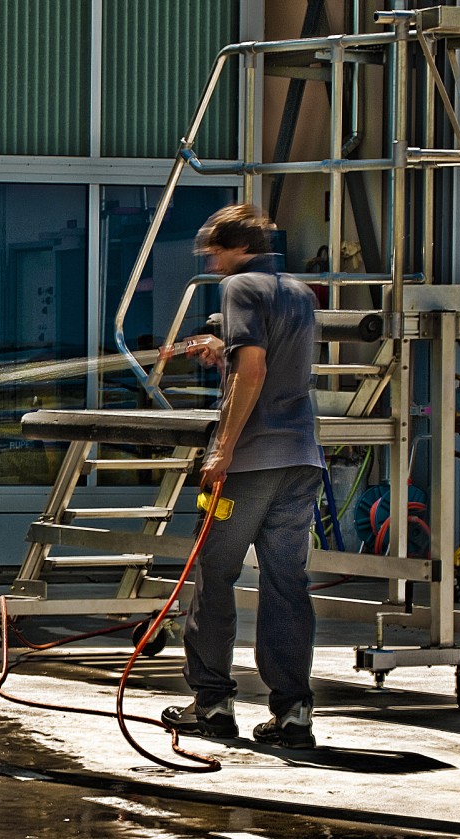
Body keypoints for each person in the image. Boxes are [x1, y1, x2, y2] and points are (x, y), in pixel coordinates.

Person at [160, 204, 325, 749]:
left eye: (212, 250)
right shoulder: (299, 292)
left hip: (251, 460)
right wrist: (221, 350)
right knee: (286, 584)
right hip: (301, 458)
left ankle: (211, 705)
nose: (210, 261)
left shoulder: (241, 289)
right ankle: (293, 714)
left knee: (215, 575)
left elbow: (253, 371)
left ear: (233, 247)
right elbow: (271, 361)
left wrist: (222, 450)